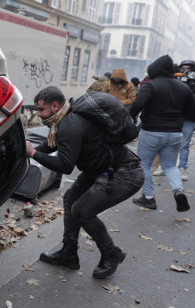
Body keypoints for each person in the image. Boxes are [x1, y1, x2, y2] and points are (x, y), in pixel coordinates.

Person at [27, 86, 144, 279]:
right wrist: (27, 151)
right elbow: (52, 145)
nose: (39, 115)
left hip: (124, 173)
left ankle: (111, 253)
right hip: (101, 169)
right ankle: (68, 252)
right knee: (70, 199)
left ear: (55, 106)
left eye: (41, 110)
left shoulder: (69, 124)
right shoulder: (65, 119)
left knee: (82, 211)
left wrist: (32, 153)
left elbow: (65, 165)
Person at [130, 55, 195, 212]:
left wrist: (132, 118)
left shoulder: (151, 86)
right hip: (175, 134)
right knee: (169, 166)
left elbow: (136, 106)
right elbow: (191, 112)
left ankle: (148, 198)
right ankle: (178, 190)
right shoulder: (184, 88)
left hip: (152, 131)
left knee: (144, 164)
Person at [177, 60, 195, 181]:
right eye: (183, 68)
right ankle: (166, 166)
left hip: (190, 118)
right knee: (171, 142)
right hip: (178, 116)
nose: (185, 71)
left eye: (187, 68)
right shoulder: (178, 81)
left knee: (184, 144)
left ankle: (182, 167)